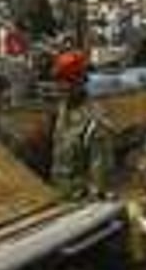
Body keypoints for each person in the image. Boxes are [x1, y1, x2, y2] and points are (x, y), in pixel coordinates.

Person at [48, 50, 115, 200]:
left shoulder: (95, 122)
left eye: (66, 81)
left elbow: (99, 182)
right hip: (58, 199)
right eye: (58, 81)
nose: (60, 86)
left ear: (80, 81)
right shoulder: (62, 111)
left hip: (79, 206)